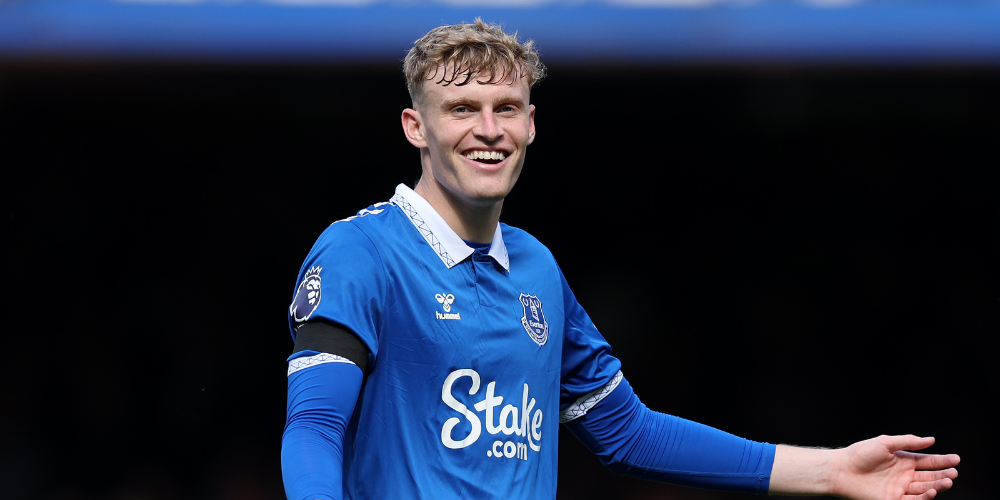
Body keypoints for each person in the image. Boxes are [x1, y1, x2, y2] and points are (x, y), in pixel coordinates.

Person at [280, 18, 959, 500]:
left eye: (506, 108)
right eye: (462, 108)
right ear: (416, 127)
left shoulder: (538, 268)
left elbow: (628, 434)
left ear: (531, 124)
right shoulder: (361, 251)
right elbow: (314, 427)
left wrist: (831, 470)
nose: (488, 130)